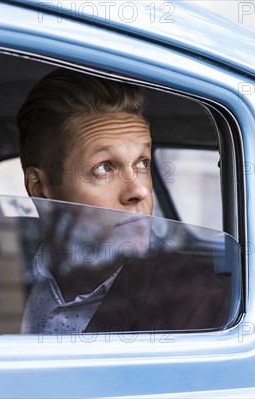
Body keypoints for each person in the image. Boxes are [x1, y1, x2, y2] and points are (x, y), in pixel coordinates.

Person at [16, 69, 226, 335]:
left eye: (143, 163)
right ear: (40, 188)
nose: (138, 191)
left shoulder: (188, 298)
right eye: (104, 168)